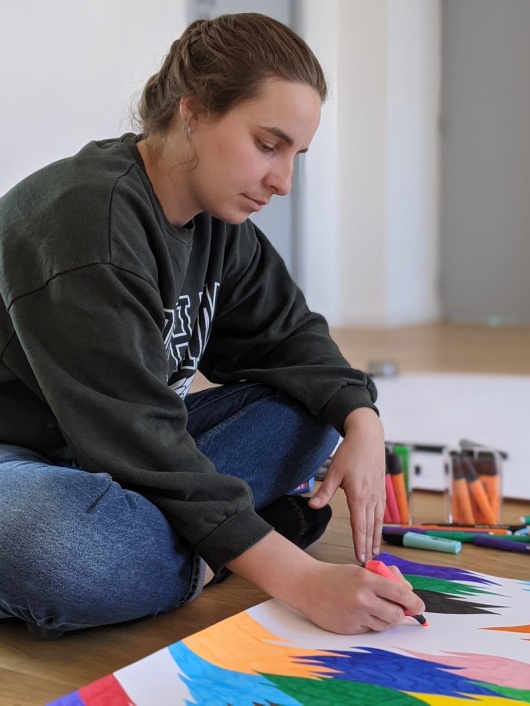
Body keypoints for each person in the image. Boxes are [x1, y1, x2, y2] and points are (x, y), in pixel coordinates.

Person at [0, 12, 424, 640]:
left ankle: (197, 548)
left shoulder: (220, 223)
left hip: (118, 457)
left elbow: (289, 334)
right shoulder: (87, 228)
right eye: (267, 144)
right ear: (192, 112)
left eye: (295, 155)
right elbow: (145, 446)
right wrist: (302, 580)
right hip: (26, 462)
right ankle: (217, 550)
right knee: (66, 551)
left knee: (311, 412)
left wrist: (363, 420)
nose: (282, 181)